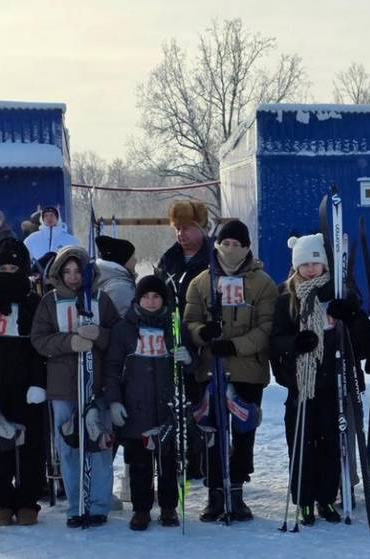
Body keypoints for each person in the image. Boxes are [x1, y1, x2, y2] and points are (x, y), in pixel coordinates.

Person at [269, 233, 370, 524]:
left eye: (316, 262)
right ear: (296, 266)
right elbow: (275, 341)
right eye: (304, 264)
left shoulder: (338, 294)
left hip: (334, 384)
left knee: (331, 446)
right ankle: (303, 500)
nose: (311, 269)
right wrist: (294, 345)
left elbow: (363, 340)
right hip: (302, 386)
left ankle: (327, 499)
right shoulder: (286, 299)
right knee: (302, 444)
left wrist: (351, 314)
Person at [184, 219, 277, 522]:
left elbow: (267, 327)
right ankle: (214, 493)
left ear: (247, 247)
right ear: (217, 246)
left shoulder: (262, 283)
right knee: (212, 433)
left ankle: (236, 491)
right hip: (210, 370)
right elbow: (189, 322)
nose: (231, 249)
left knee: (243, 431)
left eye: (237, 244)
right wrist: (203, 333)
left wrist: (236, 345)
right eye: (226, 244)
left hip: (248, 370)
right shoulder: (201, 282)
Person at [30, 245, 120, 527]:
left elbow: (118, 339)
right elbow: (39, 339)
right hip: (63, 386)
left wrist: (100, 336)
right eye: (66, 271)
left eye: (77, 271)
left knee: (100, 445)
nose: (72, 277)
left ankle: (99, 504)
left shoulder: (101, 300)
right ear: (58, 272)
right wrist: (69, 342)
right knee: (69, 446)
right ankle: (76, 504)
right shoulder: (49, 301)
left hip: (97, 384)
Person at [102, 276, 190, 530]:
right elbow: (112, 367)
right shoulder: (124, 329)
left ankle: (169, 506)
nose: (151, 302)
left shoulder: (174, 326)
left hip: (167, 407)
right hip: (135, 406)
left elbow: (191, 368)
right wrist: (114, 401)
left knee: (169, 461)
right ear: (138, 299)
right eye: (146, 297)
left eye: (156, 297)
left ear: (164, 300)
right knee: (138, 462)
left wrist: (187, 359)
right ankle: (141, 509)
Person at [155, 200, 211, 480]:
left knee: (202, 403)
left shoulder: (213, 258)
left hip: (203, 339)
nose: (181, 235)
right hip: (173, 337)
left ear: (201, 227)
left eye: (187, 228)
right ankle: (180, 455)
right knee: (176, 402)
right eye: (177, 229)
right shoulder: (169, 260)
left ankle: (202, 458)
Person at [0, 238, 46, 526]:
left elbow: (40, 347)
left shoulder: (33, 302)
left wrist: (39, 382)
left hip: (28, 385)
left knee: (31, 445)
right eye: (1, 267)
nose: (7, 272)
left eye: (12, 267)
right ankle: (2, 500)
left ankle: (28, 500)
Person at [95, 235, 137, 317]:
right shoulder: (120, 288)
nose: (136, 260)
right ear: (123, 260)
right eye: (132, 257)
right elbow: (121, 322)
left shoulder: (107, 280)